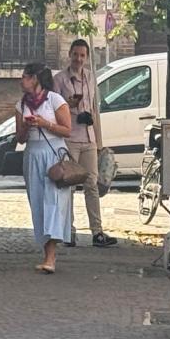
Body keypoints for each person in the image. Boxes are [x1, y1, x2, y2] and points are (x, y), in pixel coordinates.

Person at [53, 39, 117, 248]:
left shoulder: (91, 77)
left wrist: (98, 140)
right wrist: (69, 107)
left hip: (88, 138)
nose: (78, 59)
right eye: (75, 54)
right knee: (69, 186)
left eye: (82, 55)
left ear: (87, 57)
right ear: (69, 55)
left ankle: (97, 231)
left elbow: (95, 109)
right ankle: (68, 231)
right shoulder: (60, 79)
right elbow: (54, 109)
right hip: (70, 137)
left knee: (92, 184)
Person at [16, 62, 73, 273]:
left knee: (53, 202)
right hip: (33, 154)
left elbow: (67, 130)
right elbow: (20, 139)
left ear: (35, 79)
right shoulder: (21, 104)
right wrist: (25, 126)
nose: (21, 80)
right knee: (39, 203)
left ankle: (51, 256)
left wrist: (45, 124)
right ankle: (46, 253)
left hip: (54, 155)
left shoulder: (55, 100)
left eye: (25, 76)